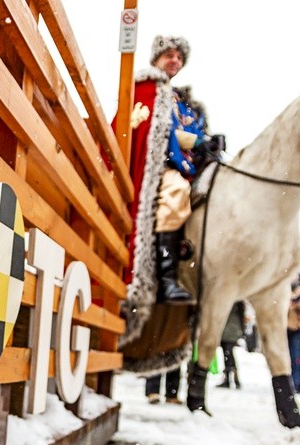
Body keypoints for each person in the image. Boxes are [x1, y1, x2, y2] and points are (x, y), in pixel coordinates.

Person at [114, 35, 224, 310]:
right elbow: (160, 132)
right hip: (164, 164)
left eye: (179, 57)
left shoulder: (182, 100)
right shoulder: (150, 91)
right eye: (169, 55)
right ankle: (165, 278)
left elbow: (191, 130)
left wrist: (208, 141)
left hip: (187, 164)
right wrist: (194, 142)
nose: (174, 60)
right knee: (175, 190)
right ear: (156, 59)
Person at [217, 301, 246, 389]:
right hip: (230, 329)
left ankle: (231, 379)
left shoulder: (233, 300)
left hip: (229, 329)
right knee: (228, 354)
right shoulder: (238, 301)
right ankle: (232, 379)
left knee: (228, 354)